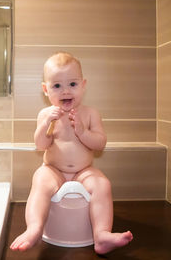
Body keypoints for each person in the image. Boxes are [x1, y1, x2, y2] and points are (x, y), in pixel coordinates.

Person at [10, 52, 133, 254]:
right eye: (57, 86)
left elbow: (100, 143)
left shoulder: (90, 113)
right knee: (40, 181)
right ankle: (34, 228)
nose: (65, 90)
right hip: (53, 169)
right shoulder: (46, 114)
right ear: (45, 90)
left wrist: (83, 133)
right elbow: (41, 145)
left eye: (72, 84)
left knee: (102, 184)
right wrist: (46, 124)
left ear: (83, 85)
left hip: (84, 171)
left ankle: (101, 235)